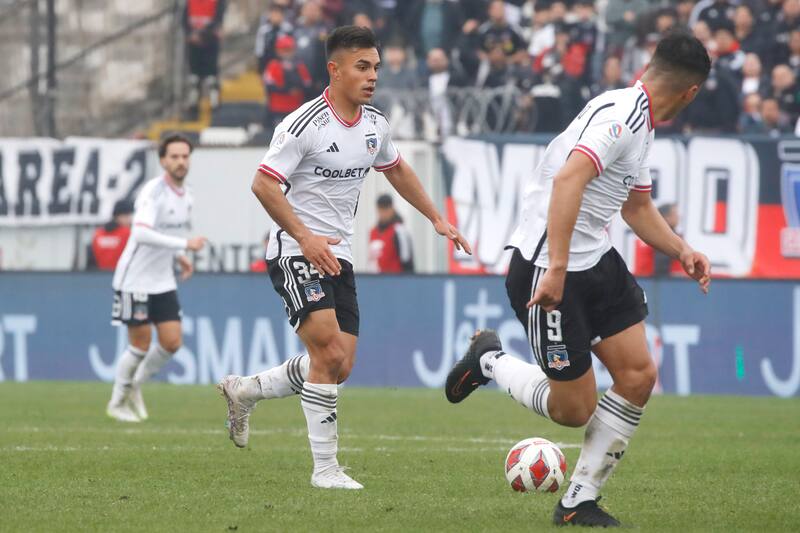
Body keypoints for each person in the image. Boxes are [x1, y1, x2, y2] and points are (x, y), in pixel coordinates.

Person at [445, 32, 712, 527]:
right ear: (690, 92)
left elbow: (635, 205)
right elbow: (570, 179)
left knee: (638, 375)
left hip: (595, 261)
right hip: (549, 267)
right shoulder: (621, 117)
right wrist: (559, 269)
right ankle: (489, 360)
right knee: (574, 409)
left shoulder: (640, 119)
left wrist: (682, 249)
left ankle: (577, 502)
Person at [216, 26, 471, 490]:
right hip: (294, 249)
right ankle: (326, 470)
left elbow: (396, 168)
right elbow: (263, 184)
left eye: (375, 67)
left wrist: (436, 218)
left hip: (340, 255)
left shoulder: (375, 125)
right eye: (362, 67)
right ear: (334, 69)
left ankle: (246, 389)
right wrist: (304, 236)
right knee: (328, 350)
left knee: (339, 364)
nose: (372, 76)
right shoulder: (303, 124)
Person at [106, 135, 207, 423]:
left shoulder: (187, 196)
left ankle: (135, 384)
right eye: (174, 156)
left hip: (162, 280)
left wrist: (178, 256)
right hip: (135, 279)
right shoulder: (153, 192)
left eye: (185, 156)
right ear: (163, 160)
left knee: (172, 342)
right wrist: (185, 245)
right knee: (139, 344)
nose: (180, 161)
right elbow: (140, 233)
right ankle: (117, 401)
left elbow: (167, 234)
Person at [183, 0, 227, 109]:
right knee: (194, 75)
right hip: (194, 43)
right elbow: (184, 19)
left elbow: (218, 17)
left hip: (210, 41)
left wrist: (203, 34)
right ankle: (194, 102)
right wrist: (190, 33)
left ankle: (214, 102)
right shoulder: (190, 2)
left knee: (211, 75)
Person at [263, 35, 313, 129]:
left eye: (289, 50)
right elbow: (269, 86)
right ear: (278, 51)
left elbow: (307, 85)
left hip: (296, 108)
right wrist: (287, 90)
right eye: (283, 50)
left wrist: (298, 89)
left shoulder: (299, 66)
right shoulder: (273, 65)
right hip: (278, 107)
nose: (286, 53)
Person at [368, 194, 414, 273]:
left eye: (386, 209)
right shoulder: (373, 232)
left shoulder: (399, 231)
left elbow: (407, 261)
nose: (384, 213)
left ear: (392, 209)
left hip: (395, 281)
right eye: (381, 209)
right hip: (376, 281)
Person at [90, 199, 134, 271]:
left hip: (99, 277)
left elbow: (91, 261)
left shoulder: (98, 233)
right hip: (120, 276)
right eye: (127, 216)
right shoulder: (127, 233)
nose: (130, 220)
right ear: (118, 216)